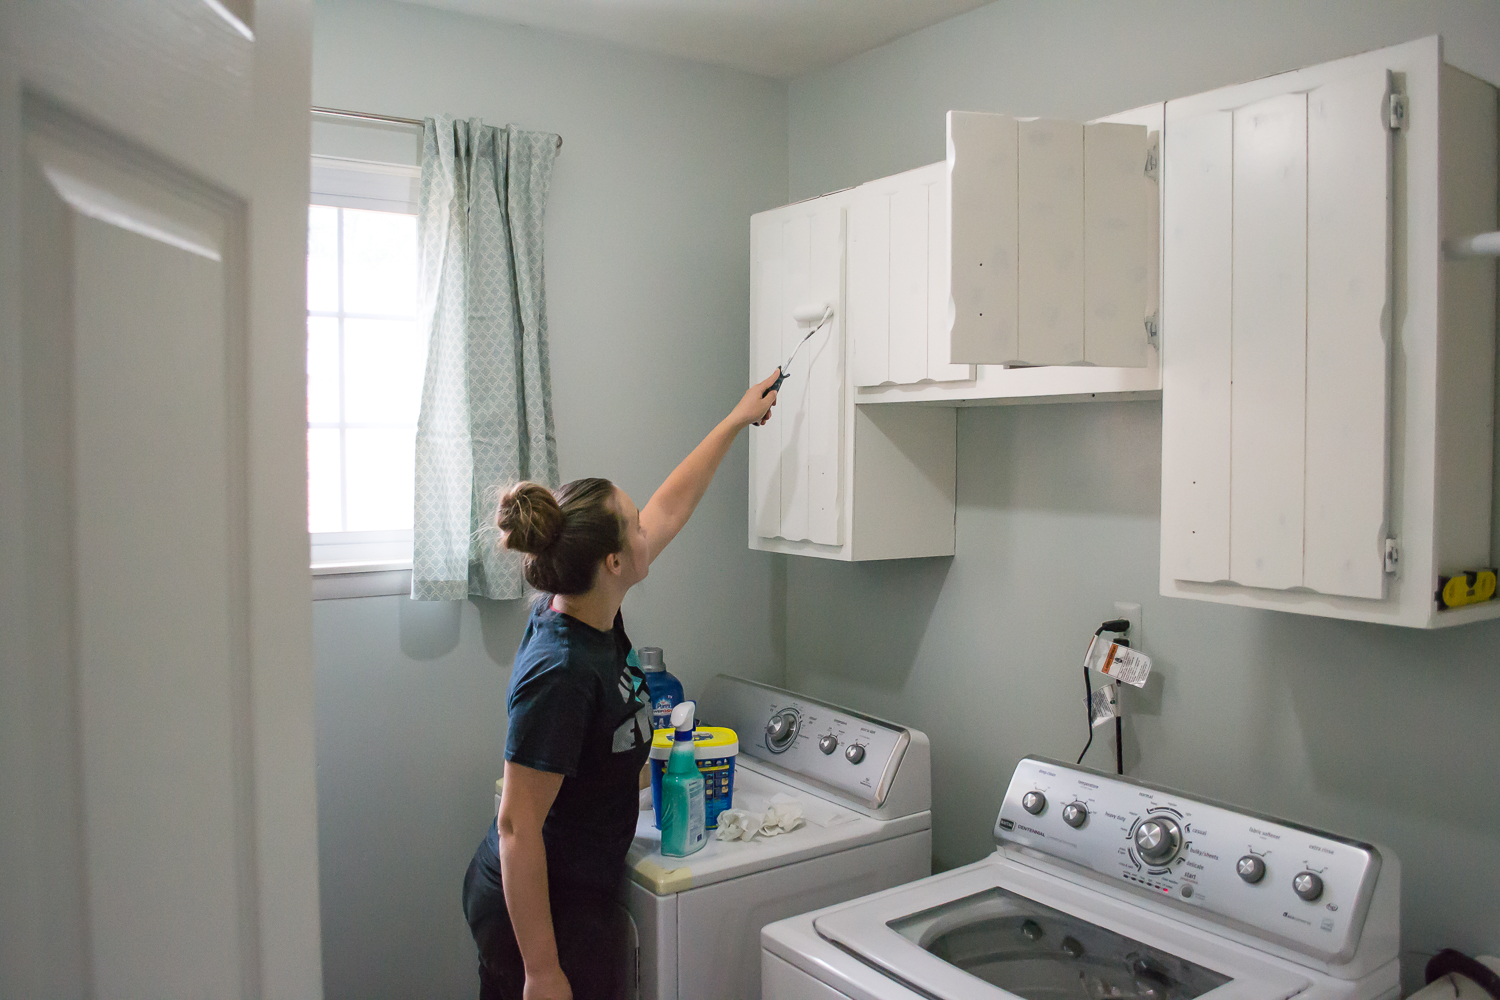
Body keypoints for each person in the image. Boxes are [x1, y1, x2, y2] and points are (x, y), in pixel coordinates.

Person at [462, 368, 782, 1000]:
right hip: (540, 915)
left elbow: (672, 504)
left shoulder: (590, 605)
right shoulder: (562, 669)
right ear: (612, 562)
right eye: (634, 526)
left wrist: (736, 418)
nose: (648, 530)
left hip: (578, 892)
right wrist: (542, 972)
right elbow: (516, 828)